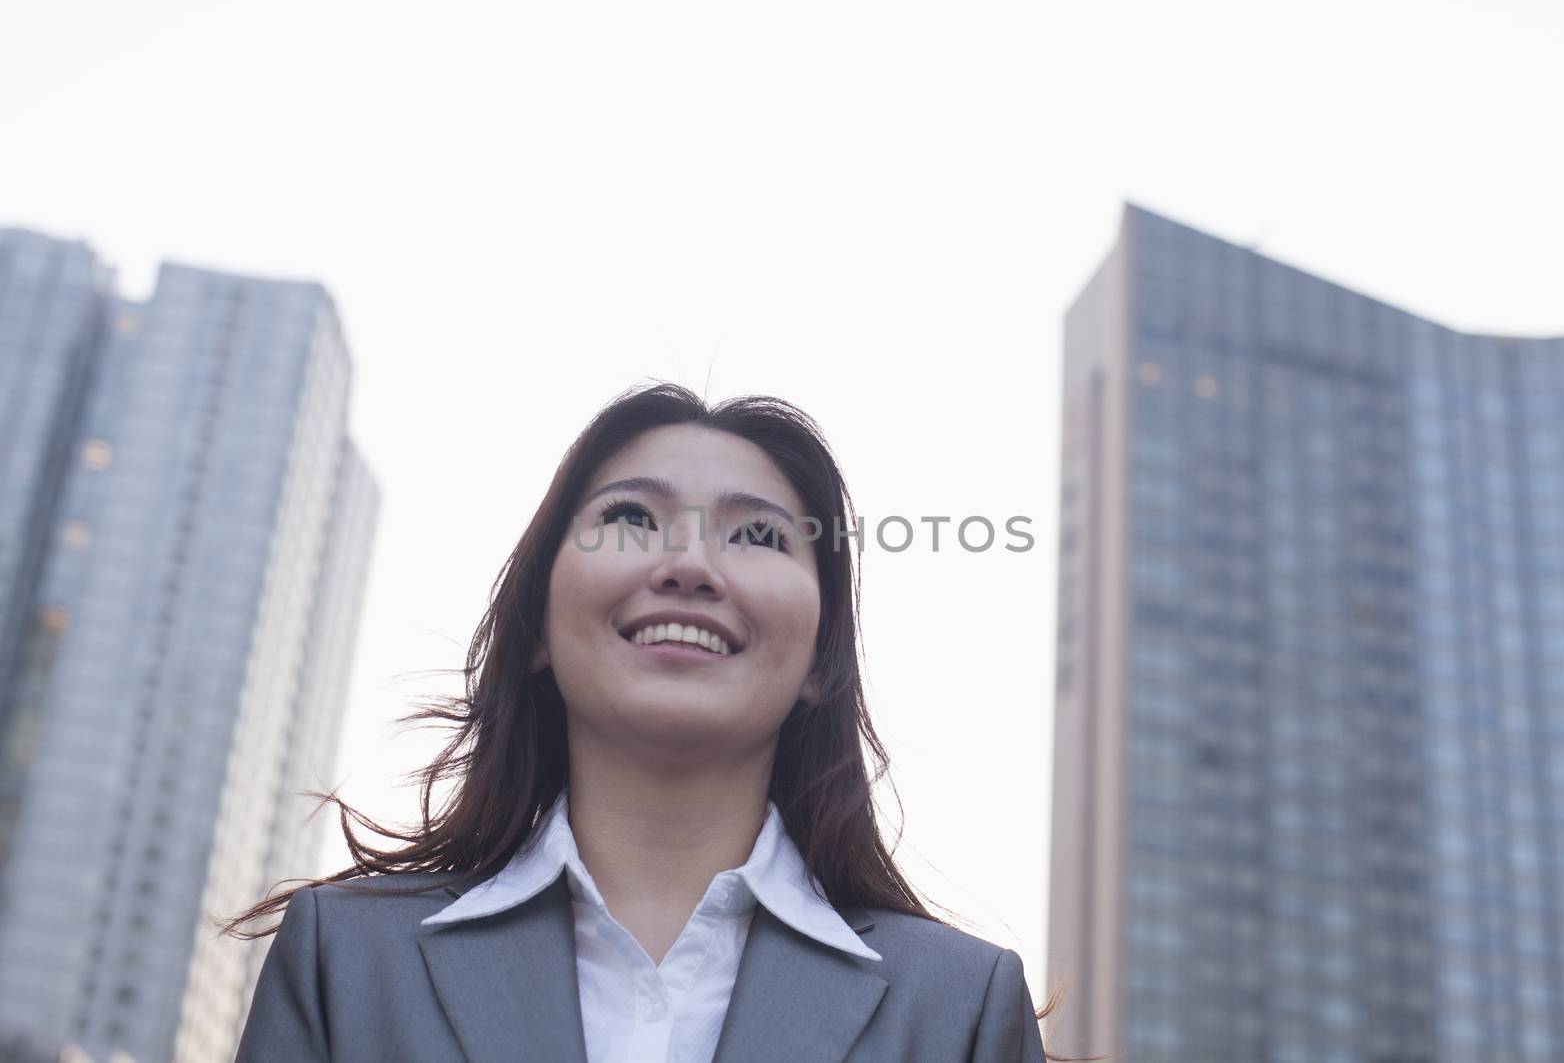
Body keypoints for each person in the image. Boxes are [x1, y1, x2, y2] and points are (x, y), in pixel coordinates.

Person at [228, 382, 1053, 1062]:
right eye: (630, 518)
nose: (690, 565)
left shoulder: (959, 1009)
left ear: (818, 665)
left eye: (758, 533)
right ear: (540, 628)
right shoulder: (345, 960)